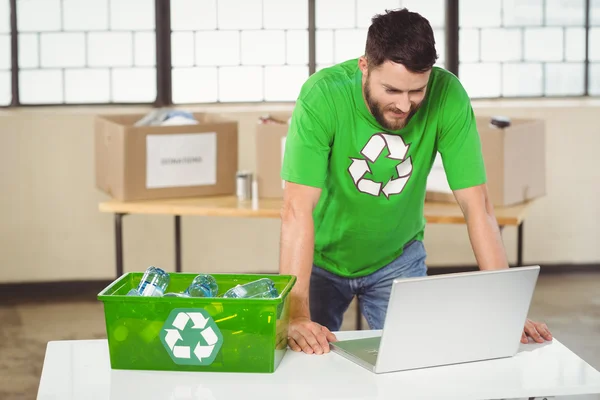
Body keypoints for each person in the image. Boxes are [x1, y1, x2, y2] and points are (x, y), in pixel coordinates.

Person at [278, 8, 553, 355]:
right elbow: (296, 209)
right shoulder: (322, 96)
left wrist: (507, 311)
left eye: (416, 91)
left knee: (410, 366)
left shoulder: (448, 96)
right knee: (305, 360)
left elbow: (477, 205)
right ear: (365, 66)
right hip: (318, 259)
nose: (404, 105)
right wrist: (297, 313)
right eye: (391, 89)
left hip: (397, 257)